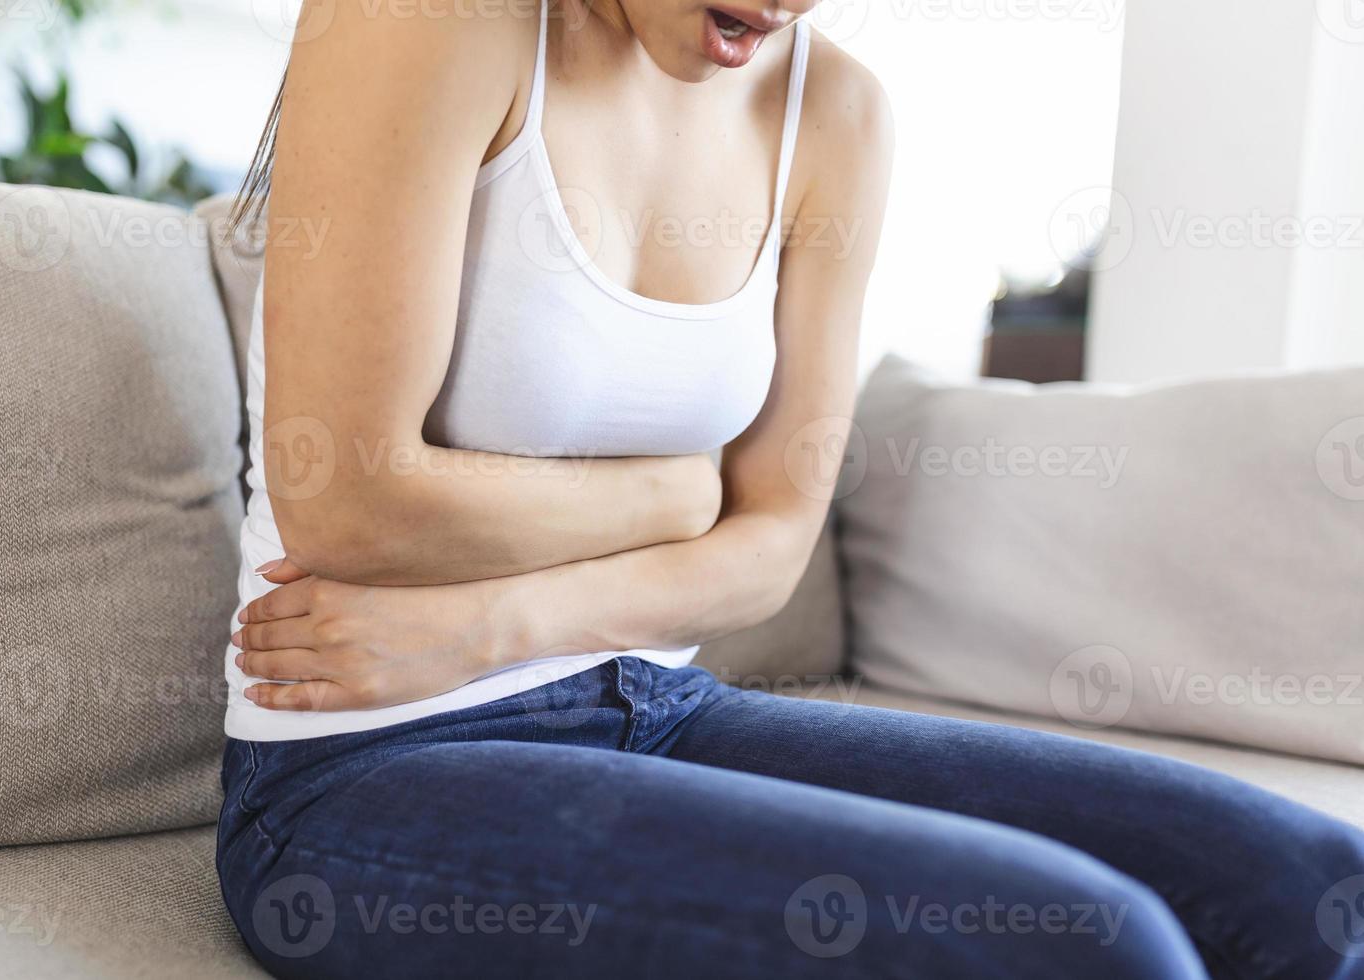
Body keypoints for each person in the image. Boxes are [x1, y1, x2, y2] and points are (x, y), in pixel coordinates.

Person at [216, 1, 1364, 975]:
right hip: (359, 769)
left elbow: (771, 546)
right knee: (1101, 944)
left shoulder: (836, 114)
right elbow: (352, 496)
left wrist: (490, 620)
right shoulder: (430, 21)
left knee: (1316, 881)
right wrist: (666, 498)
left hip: (659, 709)